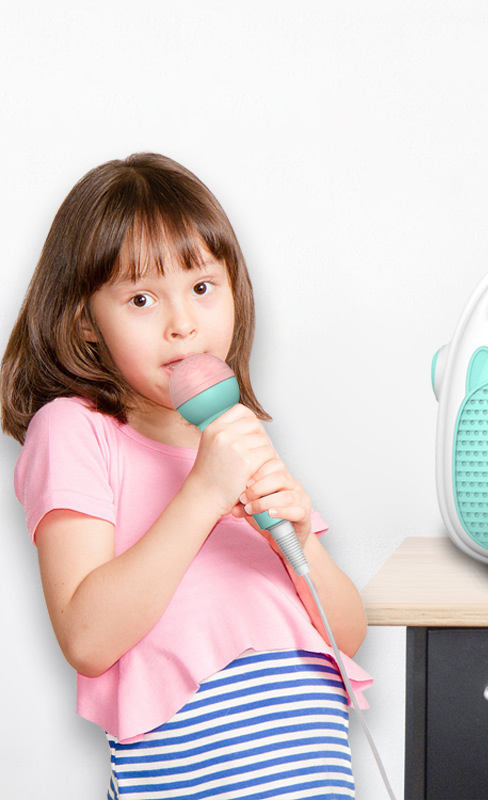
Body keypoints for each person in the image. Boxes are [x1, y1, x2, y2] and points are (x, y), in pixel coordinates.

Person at [0, 153, 371, 800]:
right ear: (87, 322)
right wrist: (201, 493)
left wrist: (301, 541)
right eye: (142, 299)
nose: (183, 324)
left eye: (202, 287)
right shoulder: (75, 430)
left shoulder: (235, 432)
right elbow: (88, 638)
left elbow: (346, 634)